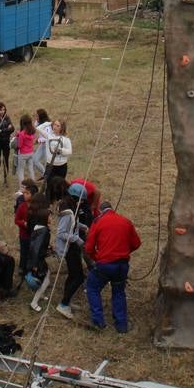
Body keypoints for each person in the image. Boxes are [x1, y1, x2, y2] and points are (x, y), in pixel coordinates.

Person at [84, 200, 141, 333]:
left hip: (104, 264)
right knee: (119, 292)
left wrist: (96, 258)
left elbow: (88, 248)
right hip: (122, 265)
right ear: (112, 209)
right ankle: (121, 325)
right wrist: (124, 252)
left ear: (100, 211)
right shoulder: (125, 221)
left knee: (92, 287)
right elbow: (136, 243)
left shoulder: (98, 222)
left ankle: (98, 322)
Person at [55, 189, 87, 320]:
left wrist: (83, 227)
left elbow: (73, 225)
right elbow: (61, 233)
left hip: (72, 248)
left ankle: (67, 300)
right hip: (69, 249)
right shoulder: (68, 213)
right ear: (76, 198)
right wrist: (77, 239)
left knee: (73, 274)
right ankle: (63, 304)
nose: (83, 202)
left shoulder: (73, 211)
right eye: (82, 200)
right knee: (79, 277)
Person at [26, 204, 51, 312]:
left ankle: (41, 295)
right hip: (38, 260)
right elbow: (37, 248)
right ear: (45, 218)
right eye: (49, 216)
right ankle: (34, 302)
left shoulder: (37, 228)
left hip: (36, 259)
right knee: (46, 280)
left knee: (48, 274)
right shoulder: (44, 231)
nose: (51, 218)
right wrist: (35, 264)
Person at [14, 179, 38, 276]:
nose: (24, 195)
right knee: (24, 252)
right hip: (24, 235)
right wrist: (23, 223)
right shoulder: (22, 206)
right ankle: (22, 267)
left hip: (34, 234)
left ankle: (32, 267)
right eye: (24, 193)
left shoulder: (36, 206)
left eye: (27, 193)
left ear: (33, 195)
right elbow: (16, 220)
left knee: (33, 252)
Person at [44, 120, 72, 184]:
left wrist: (60, 150)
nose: (55, 127)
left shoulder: (66, 139)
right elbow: (38, 128)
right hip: (50, 166)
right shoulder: (48, 136)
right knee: (49, 184)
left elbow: (69, 151)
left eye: (57, 126)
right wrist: (48, 123)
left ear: (62, 128)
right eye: (54, 124)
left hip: (61, 167)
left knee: (59, 185)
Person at [16, 115, 36, 185]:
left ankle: (22, 187)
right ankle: (33, 185)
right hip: (31, 153)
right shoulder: (32, 131)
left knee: (20, 170)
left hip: (23, 154)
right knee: (31, 169)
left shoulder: (22, 134)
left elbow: (19, 145)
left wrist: (17, 137)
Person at [32, 109, 50, 178]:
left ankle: (47, 176)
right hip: (42, 145)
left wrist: (37, 141)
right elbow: (35, 126)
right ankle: (45, 173)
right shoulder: (38, 122)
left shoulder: (47, 125)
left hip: (48, 146)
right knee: (34, 160)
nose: (35, 117)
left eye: (37, 116)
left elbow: (47, 138)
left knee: (46, 162)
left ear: (41, 117)